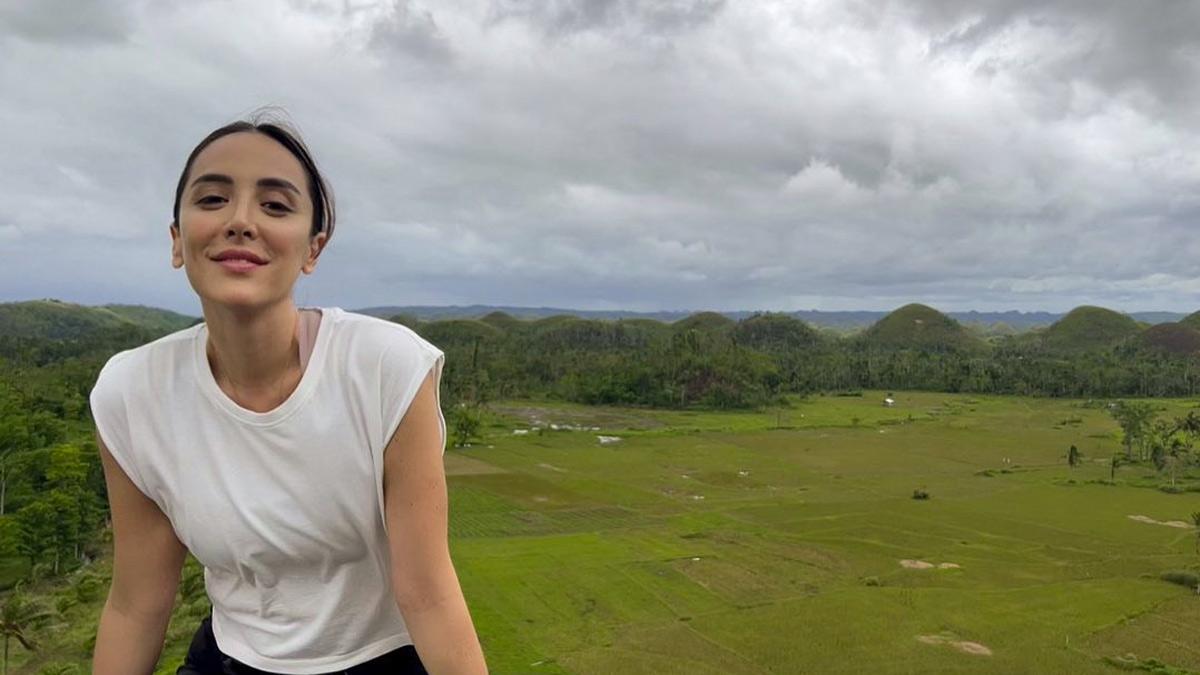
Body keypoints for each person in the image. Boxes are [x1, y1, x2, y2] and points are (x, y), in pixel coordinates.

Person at [88, 113, 489, 674]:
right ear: (177, 240)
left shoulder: (385, 367)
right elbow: (136, 603)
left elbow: (427, 593)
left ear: (312, 250)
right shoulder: (132, 392)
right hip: (229, 661)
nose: (241, 221)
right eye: (212, 200)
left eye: (275, 206)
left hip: (382, 660)